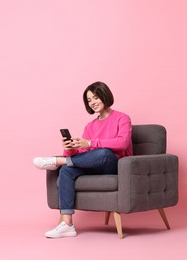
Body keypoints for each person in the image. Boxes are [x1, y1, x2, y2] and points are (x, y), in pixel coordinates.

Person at [33, 81, 133, 238]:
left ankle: (57, 161)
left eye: (95, 97)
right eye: (89, 100)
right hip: (92, 165)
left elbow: (122, 143)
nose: (92, 102)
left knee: (104, 153)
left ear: (104, 95)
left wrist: (91, 143)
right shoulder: (90, 126)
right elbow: (81, 153)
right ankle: (67, 224)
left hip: (114, 165)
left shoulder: (122, 118)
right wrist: (69, 148)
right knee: (67, 170)